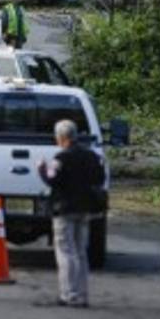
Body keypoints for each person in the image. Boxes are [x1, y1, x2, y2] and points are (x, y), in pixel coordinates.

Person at [38, 120, 106, 307]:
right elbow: (100, 178)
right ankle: (83, 294)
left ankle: (69, 294)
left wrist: (41, 171)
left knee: (66, 252)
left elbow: (53, 181)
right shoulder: (92, 156)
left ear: (61, 137)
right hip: (85, 210)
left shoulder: (61, 158)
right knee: (81, 251)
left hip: (65, 209)